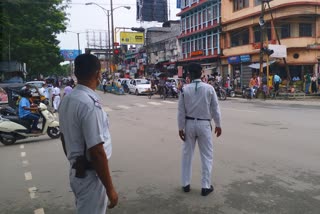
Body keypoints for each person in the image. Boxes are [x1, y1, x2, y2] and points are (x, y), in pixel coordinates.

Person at [59, 54, 118, 214]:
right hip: (91, 176)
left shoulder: (67, 100)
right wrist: (110, 189)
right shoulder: (89, 104)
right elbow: (97, 152)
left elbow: (63, 137)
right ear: (97, 74)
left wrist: (75, 160)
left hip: (78, 171)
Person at [177, 63, 222, 197]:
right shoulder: (209, 88)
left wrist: (180, 128)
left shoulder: (184, 89)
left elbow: (180, 111)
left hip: (189, 124)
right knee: (207, 156)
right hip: (204, 125)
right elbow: (215, 109)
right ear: (202, 73)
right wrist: (218, 125)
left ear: (189, 74)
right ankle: (205, 186)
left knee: (187, 155)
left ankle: (185, 184)